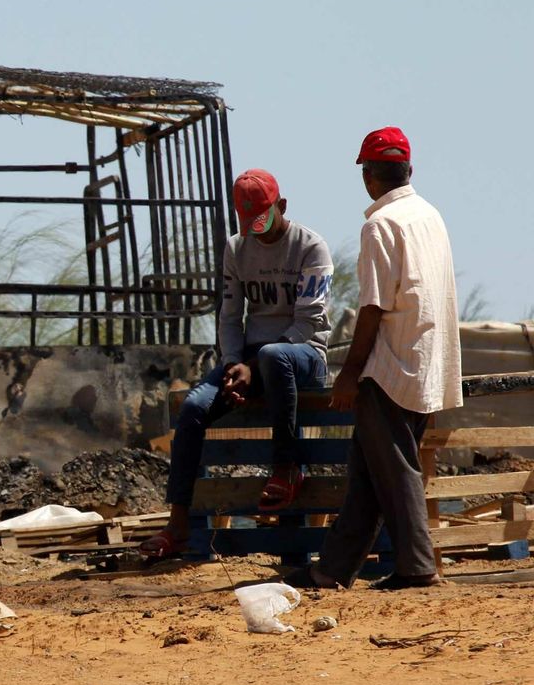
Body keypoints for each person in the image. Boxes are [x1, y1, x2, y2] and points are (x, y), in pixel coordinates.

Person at [290, 126, 462, 590]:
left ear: (368, 176)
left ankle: (417, 568)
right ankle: (332, 570)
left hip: (389, 367)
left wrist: (349, 372)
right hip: (426, 363)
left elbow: (373, 306)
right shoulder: (429, 215)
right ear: (409, 169)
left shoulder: (380, 225)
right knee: (370, 471)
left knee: (395, 469)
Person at [141, 169, 333, 558]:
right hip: (252, 360)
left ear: (281, 206)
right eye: (248, 222)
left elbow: (308, 322)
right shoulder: (237, 248)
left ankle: (287, 468)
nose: (256, 230)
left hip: (304, 353)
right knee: (194, 407)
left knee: (273, 355)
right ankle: (178, 524)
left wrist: (253, 365)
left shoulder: (311, 248)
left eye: (262, 218)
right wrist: (232, 365)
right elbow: (229, 318)